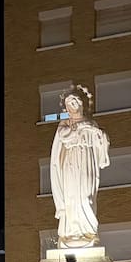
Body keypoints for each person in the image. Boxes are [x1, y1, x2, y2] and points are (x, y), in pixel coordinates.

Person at [49, 86, 111, 249]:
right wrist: (81, 129)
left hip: (86, 164)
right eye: (70, 102)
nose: (73, 104)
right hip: (69, 164)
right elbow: (63, 139)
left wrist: (101, 136)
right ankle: (71, 232)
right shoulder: (64, 124)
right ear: (67, 107)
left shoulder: (91, 123)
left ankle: (88, 231)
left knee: (85, 197)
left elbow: (100, 144)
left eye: (76, 100)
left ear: (82, 103)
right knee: (71, 197)